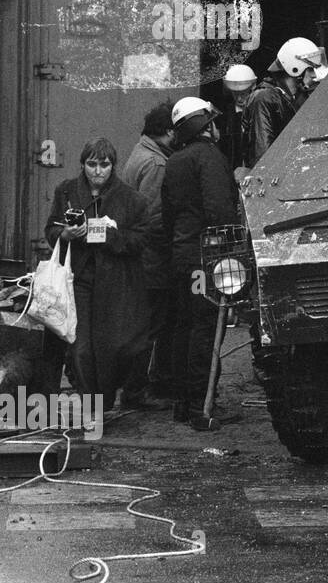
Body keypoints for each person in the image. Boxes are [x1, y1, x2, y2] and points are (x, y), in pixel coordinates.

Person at [42, 137, 150, 414]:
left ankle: (105, 397)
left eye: (104, 164)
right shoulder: (66, 191)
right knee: (81, 348)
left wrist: (103, 233)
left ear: (113, 166)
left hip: (116, 283)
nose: (98, 171)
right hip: (76, 279)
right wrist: (64, 234)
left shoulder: (131, 199)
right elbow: (51, 229)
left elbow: (139, 240)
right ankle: (93, 406)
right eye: (92, 164)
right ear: (83, 165)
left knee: (117, 347)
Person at [162, 98, 240, 424]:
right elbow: (220, 211)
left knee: (184, 328)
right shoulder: (209, 158)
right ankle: (201, 406)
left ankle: (183, 403)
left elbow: (168, 214)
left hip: (181, 256)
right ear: (204, 126)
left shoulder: (175, 161)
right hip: (207, 258)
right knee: (206, 329)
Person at [120, 102, 175, 407]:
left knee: (141, 324)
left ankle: (133, 387)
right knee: (150, 326)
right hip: (152, 260)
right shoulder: (157, 164)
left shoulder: (140, 152)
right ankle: (136, 391)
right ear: (168, 132)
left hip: (139, 257)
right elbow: (154, 219)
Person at [243, 37, 320, 166]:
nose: (314, 75)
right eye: (311, 69)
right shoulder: (264, 98)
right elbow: (262, 150)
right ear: (295, 68)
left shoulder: (295, 97)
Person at [221, 63, 257, 172]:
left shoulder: (258, 108)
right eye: (235, 94)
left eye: (244, 93)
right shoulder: (226, 114)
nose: (240, 98)